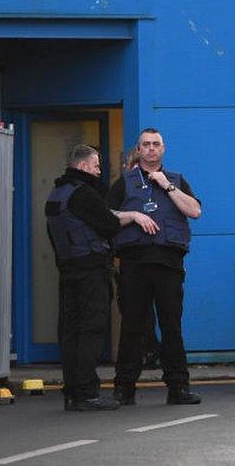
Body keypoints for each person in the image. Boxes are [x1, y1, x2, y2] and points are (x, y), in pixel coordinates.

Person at [107, 128, 202, 405]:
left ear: (163, 149)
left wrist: (167, 186)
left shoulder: (176, 180)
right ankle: (124, 388)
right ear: (138, 149)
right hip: (135, 264)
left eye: (155, 144)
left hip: (169, 264)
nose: (150, 149)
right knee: (132, 326)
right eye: (145, 144)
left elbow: (195, 210)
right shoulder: (123, 183)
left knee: (172, 326)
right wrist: (133, 215)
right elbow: (106, 215)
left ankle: (178, 388)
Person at [46, 144, 144, 411]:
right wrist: (133, 215)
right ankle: (87, 393)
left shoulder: (57, 194)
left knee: (70, 332)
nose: (99, 170)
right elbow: (109, 225)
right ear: (83, 166)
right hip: (91, 271)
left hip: (67, 270)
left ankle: (72, 392)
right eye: (97, 165)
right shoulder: (85, 194)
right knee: (91, 330)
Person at [120, 145, 162, 370]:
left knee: (145, 313)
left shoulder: (156, 187)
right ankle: (143, 353)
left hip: (149, 258)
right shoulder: (124, 188)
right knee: (135, 313)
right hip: (132, 258)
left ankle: (149, 351)